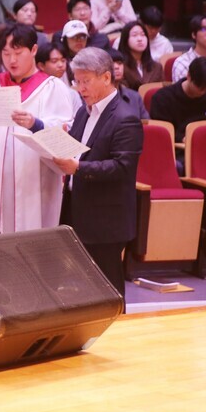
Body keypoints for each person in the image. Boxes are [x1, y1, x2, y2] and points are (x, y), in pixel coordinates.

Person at [0, 24, 75, 238]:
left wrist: (36, 124)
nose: (11, 60)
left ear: (34, 50)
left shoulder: (52, 88)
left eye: (18, 53)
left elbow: (65, 138)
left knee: (31, 244)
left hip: (34, 185)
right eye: (6, 53)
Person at [54, 47, 142, 303]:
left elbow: (122, 167)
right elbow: (75, 150)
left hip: (106, 219)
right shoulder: (83, 111)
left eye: (85, 81)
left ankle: (118, 336)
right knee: (84, 287)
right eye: (77, 81)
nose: (80, 88)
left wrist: (78, 168)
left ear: (106, 77)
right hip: (78, 211)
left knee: (108, 287)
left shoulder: (126, 118)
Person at [151, 56, 206, 158]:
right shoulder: (163, 98)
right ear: (188, 76)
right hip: (177, 151)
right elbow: (162, 132)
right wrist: (182, 138)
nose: (202, 92)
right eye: (199, 87)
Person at [117, 21, 162, 91]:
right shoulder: (120, 67)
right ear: (125, 40)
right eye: (134, 35)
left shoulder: (157, 67)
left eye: (143, 35)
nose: (140, 39)